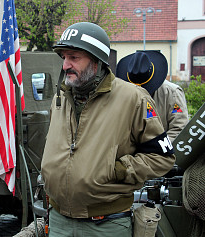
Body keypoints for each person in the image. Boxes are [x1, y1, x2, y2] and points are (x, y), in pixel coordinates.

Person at [41, 22, 176, 236]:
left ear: (97, 61)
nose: (65, 65)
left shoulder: (134, 99)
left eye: (74, 57)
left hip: (106, 225)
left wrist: (119, 169)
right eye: (64, 57)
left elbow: (163, 157)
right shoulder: (60, 98)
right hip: (58, 221)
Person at [116, 50, 189, 142]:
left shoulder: (172, 93)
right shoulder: (123, 92)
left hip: (161, 151)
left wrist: (157, 149)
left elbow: (179, 128)